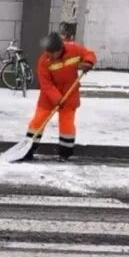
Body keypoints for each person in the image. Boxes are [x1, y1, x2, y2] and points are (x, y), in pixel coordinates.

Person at [21, 32, 97, 162]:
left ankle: (65, 153)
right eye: (48, 52)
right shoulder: (44, 61)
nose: (49, 55)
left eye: (52, 52)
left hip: (70, 93)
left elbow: (89, 53)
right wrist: (57, 98)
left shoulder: (74, 49)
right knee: (38, 121)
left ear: (60, 49)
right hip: (48, 96)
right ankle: (28, 149)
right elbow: (46, 84)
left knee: (67, 124)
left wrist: (88, 62)